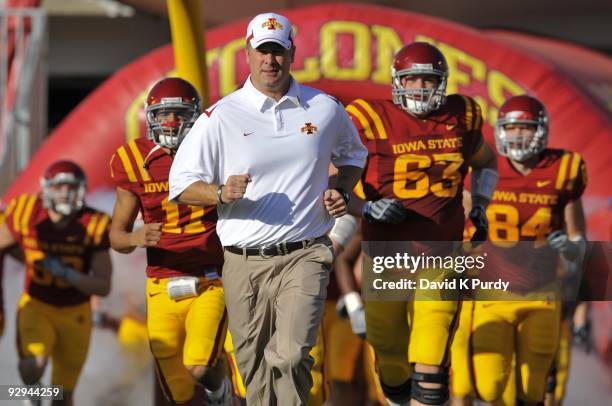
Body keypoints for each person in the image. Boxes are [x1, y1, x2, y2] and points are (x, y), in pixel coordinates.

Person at [168, 11, 367, 405]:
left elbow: (354, 154)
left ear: (292, 53)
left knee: (291, 355)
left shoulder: (324, 107)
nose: (270, 61)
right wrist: (222, 192)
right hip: (243, 260)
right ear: (248, 53)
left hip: (306, 252)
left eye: (278, 51)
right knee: (254, 370)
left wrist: (340, 186)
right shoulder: (221, 116)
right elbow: (181, 187)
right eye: (262, 51)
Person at [346, 42, 498, 405]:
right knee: (390, 354)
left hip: (441, 257)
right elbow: (328, 184)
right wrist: (366, 208)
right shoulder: (367, 118)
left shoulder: (461, 115)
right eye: (411, 79)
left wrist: (480, 203)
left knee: (431, 366)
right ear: (397, 82)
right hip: (386, 259)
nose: (419, 88)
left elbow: (487, 162)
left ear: (441, 83)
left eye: (427, 80)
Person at [108, 77, 232, 405]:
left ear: (195, 115)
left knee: (200, 366)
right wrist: (136, 236)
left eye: (179, 113)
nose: (172, 122)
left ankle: (221, 394)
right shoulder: (134, 160)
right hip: (161, 284)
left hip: (211, 280)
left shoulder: (217, 152)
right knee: (177, 391)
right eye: (164, 115)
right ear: (151, 118)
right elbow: (116, 236)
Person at [468, 95, 588, 405]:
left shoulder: (564, 169)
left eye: (525, 127)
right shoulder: (483, 169)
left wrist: (570, 250)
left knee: (534, 390)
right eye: (511, 128)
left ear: (541, 130)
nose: (518, 135)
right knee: (491, 386)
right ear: (500, 132)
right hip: (492, 294)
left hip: (542, 294)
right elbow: (465, 234)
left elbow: (579, 241)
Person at [0, 160, 113, 406]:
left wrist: (69, 275)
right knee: (31, 368)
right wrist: (31, 260)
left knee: (62, 396)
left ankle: (46, 396)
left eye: (70, 187)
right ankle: (32, 393)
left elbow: (103, 285)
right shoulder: (27, 212)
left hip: (76, 313)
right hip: (37, 305)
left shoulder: (93, 223)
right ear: (46, 188)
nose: (65, 193)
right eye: (59, 187)